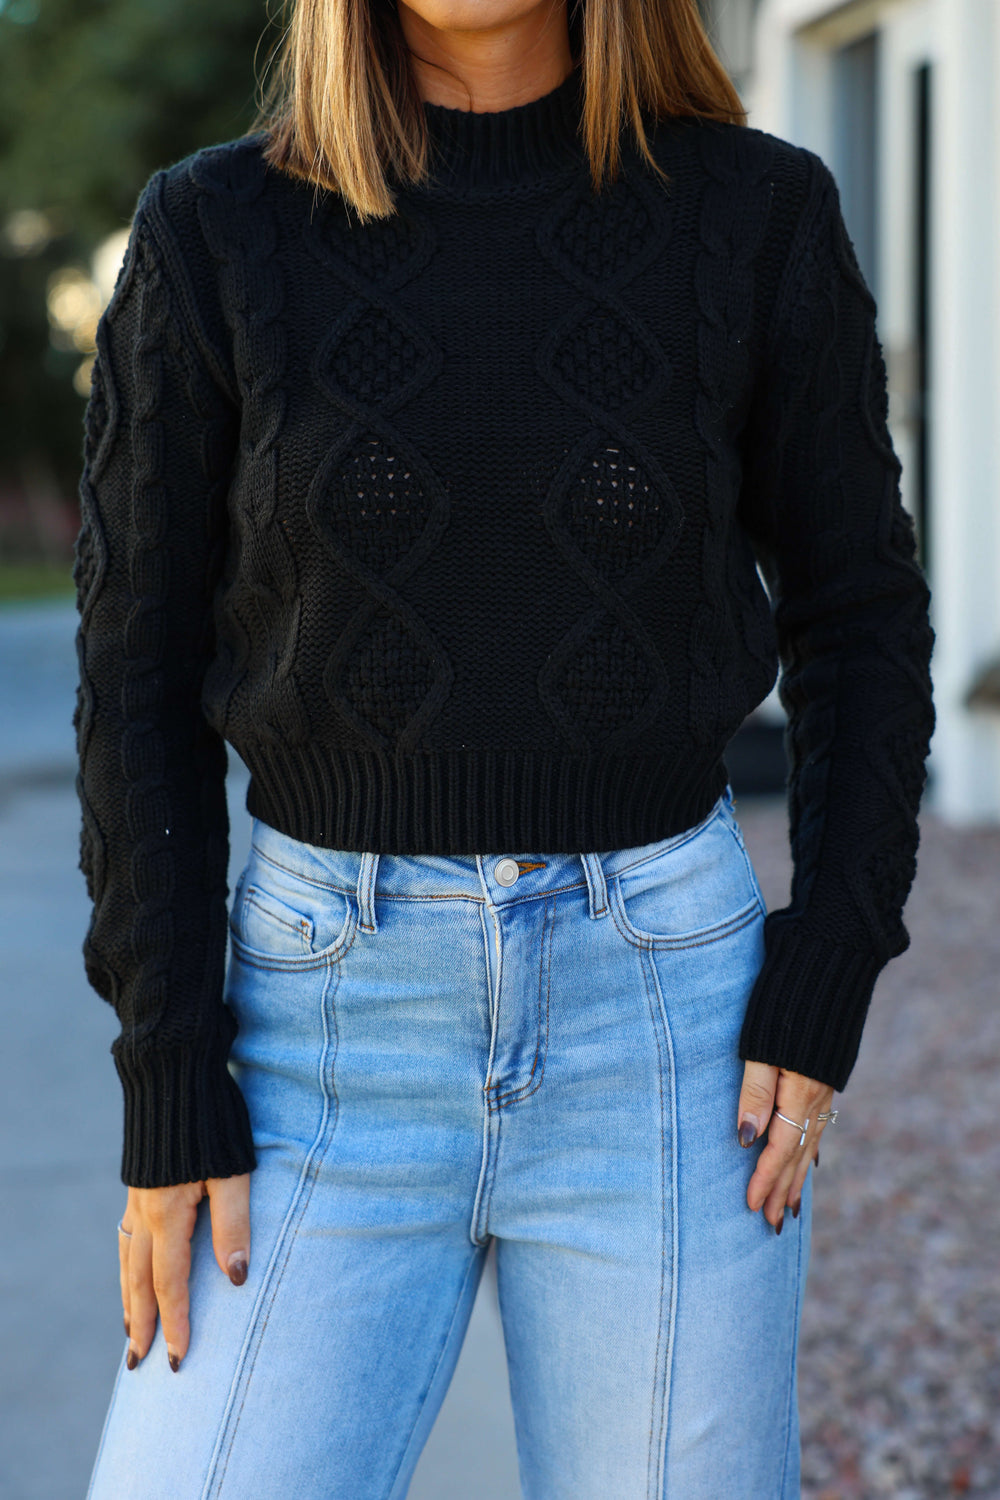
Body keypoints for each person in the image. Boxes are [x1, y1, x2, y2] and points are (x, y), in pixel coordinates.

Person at [74, 0, 935, 1491]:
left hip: (668, 1041)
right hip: (314, 1046)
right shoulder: (215, 231)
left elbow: (859, 618)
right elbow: (135, 676)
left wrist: (832, 958)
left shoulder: (755, 214)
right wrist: (169, 1072)